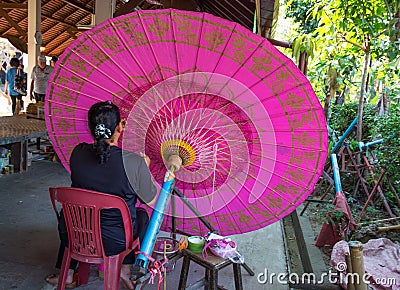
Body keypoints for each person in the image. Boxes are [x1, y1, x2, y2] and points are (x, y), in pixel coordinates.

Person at [45, 101, 157, 289]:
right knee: (142, 216)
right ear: (121, 126)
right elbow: (150, 199)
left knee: (74, 213)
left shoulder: (78, 153)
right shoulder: (134, 162)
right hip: (115, 242)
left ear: (91, 128)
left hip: (75, 235)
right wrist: (144, 167)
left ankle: (68, 272)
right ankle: (125, 269)